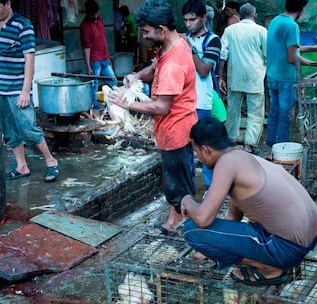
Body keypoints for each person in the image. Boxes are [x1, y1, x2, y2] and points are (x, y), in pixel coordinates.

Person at [181, 117, 317, 286]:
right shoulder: (242, 157)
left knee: (191, 229)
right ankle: (270, 260)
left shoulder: (226, 164)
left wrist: (187, 199)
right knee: (207, 231)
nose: (199, 159)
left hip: (288, 249)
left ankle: (268, 268)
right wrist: (210, 246)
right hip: (309, 238)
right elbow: (234, 214)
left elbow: (203, 219)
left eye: (197, 153)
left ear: (205, 150)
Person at [109, 0, 197, 236]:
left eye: (147, 31)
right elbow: (154, 67)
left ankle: (184, 228)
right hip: (176, 128)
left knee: (178, 185)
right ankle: (175, 219)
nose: (144, 35)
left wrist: (127, 103)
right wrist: (136, 75)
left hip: (176, 131)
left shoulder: (174, 64)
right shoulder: (172, 46)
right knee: (175, 182)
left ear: (161, 29)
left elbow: (161, 107)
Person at [0, 0, 59, 183]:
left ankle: (51, 161)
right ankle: (21, 166)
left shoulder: (23, 25)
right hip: (1, 91)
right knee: (10, 131)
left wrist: (25, 91)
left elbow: (29, 60)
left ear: (8, 3)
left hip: (17, 89)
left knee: (29, 129)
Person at [265, 0, 317, 160]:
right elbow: (292, 57)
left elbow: (290, 47)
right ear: (301, 9)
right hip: (286, 78)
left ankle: (271, 149)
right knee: (286, 116)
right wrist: (315, 64)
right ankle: (283, 151)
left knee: (274, 113)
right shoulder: (292, 26)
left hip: (272, 76)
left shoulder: (276, 21)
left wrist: (314, 48)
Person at [182, 0, 221, 190]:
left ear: (203, 18)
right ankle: (189, 186)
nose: (188, 24)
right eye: (186, 20)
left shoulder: (213, 40)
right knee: (186, 147)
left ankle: (211, 188)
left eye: (192, 19)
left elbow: (204, 70)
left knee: (205, 148)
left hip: (201, 102)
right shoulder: (184, 39)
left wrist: (191, 49)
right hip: (184, 102)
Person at [218, 3, 267, 154]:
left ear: (240, 14)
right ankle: (249, 145)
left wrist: (220, 77)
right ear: (255, 15)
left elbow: (223, 55)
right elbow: (267, 55)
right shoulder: (261, 31)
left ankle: (231, 140)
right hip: (255, 78)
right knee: (255, 113)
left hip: (235, 78)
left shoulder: (230, 30)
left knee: (233, 109)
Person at [80, 0, 118, 110]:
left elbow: (103, 39)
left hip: (104, 58)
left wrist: (107, 56)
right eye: (93, 13)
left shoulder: (100, 21)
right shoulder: (85, 26)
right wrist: (88, 65)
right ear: (88, 13)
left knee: (113, 81)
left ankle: (110, 105)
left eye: (96, 12)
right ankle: (94, 107)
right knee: (94, 84)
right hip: (94, 60)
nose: (96, 15)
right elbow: (86, 47)